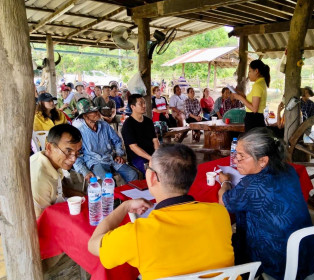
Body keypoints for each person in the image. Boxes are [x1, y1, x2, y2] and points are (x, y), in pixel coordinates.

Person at [88, 144, 235, 280]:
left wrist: (125, 206)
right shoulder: (219, 213)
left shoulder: (137, 234)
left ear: (152, 177)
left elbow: (93, 244)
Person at [218, 128, 314, 280]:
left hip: (278, 264)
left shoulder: (253, 184)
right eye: (235, 154)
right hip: (305, 255)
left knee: (226, 245)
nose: (235, 160)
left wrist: (224, 181)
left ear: (263, 160)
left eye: (241, 156)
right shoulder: (288, 169)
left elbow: (224, 203)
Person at [73, 99, 138, 183]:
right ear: (85, 116)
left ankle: (131, 195)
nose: (98, 113)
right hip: (95, 162)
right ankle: (114, 196)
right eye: (93, 111)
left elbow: (117, 141)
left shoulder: (104, 125)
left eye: (97, 110)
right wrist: (85, 171)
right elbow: (76, 156)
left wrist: (118, 154)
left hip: (111, 158)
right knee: (109, 182)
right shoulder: (79, 132)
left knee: (132, 174)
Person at [31, 124, 84, 218]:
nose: (73, 159)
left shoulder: (49, 160)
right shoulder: (39, 180)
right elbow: (41, 220)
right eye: (68, 151)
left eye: (77, 153)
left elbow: (58, 189)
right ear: (49, 147)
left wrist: (84, 197)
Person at [121, 94, 160, 174]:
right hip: (137, 157)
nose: (144, 105)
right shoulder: (128, 124)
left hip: (152, 154)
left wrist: (157, 154)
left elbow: (155, 140)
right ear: (132, 107)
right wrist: (151, 158)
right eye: (140, 103)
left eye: (144, 103)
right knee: (152, 172)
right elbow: (133, 147)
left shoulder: (148, 121)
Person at [232, 60, 270, 132]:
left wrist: (239, 97)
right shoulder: (261, 83)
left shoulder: (257, 85)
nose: (248, 74)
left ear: (256, 71)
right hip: (257, 118)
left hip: (254, 119)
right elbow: (251, 101)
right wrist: (240, 94)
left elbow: (254, 109)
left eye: (249, 71)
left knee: (252, 142)